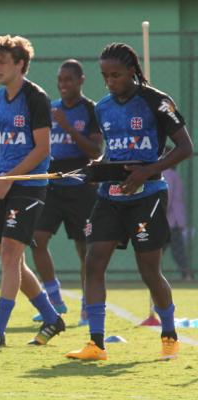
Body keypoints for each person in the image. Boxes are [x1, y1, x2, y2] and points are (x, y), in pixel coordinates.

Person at [66, 43, 193, 361]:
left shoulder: (157, 101)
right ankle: (96, 343)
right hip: (110, 195)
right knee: (94, 262)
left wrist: (147, 171)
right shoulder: (103, 107)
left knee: (149, 271)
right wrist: (99, 168)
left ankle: (169, 335)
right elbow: (112, 150)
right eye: (105, 76)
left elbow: (185, 147)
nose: (110, 81)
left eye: (116, 75)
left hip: (147, 196)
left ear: (132, 71)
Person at [0, 35, 64, 349]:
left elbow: (43, 149)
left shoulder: (36, 97)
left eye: (3, 62)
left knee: (10, 253)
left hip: (29, 186)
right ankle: (51, 318)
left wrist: (9, 178)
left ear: (20, 64)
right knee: (12, 260)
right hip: (3, 185)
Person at [30, 60, 102, 326]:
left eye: (68, 79)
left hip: (81, 186)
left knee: (85, 249)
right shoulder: (50, 109)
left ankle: (87, 306)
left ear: (81, 80)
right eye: (60, 79)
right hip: (52, 184)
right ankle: (54, 299)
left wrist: (69, 127)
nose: (63, 84)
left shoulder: (91, 110)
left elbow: (95, 151)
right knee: (37, 239)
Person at [163, 162, 193, 281]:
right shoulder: (174, 174)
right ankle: (187, 275)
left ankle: (187, 275)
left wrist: (160, 213)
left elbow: (167, 196)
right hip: (174, 220)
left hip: (169, 220)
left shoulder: (167, 174)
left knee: (161, 249)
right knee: (176, 250)